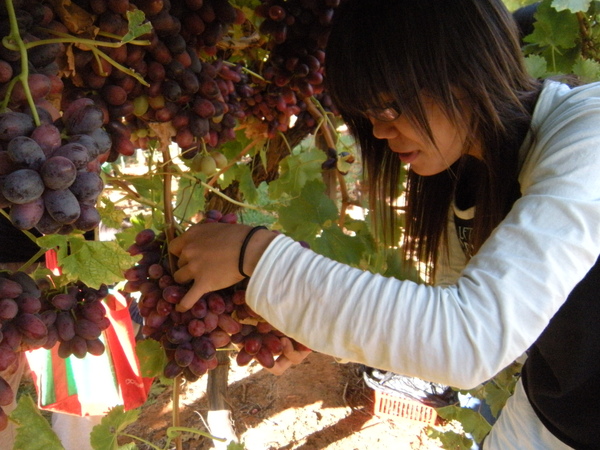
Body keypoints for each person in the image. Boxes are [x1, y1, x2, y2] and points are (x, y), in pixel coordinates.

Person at [169, 1, 600, 449]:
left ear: (465, 69)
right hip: (546, 413)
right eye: (366, 114)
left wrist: (256, 256)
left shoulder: (590, 136)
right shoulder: (464, 171)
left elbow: (471, 341)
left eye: (390, 107)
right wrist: (312, 318)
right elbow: (439, 326)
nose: (376, 131)